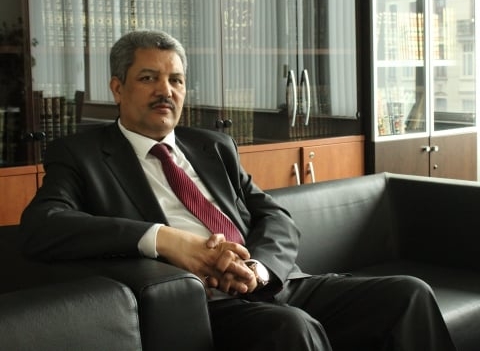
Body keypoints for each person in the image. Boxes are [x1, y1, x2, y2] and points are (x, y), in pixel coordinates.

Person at [20, 30, 456, 351]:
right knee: (292, 328)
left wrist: (260, 269)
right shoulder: (81, 155)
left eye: (176, 80)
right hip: (203, 302)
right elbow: (43, 225)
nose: (165, 91)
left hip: (270, 281)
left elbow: (274, 215)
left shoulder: (212, 146)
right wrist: (166, 240)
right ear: (117, 88)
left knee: (408, 293)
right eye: (148, 78)